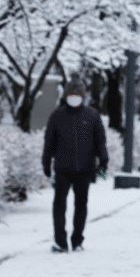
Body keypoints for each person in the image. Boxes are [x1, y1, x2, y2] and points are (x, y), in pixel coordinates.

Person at [42, 77, 108, 253]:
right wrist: (46, 163)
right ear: (65, 96)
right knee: (59, 206)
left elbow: (100, 141)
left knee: (81, 205)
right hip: (62, 168)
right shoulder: (57, 116)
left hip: (85, 169)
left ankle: (77, 240)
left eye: (77, 93)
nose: (74, 96)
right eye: (71, 93)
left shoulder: (92, 115)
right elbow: (49, 142)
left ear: (83, 96)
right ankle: (61, 242)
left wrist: (103, 162)